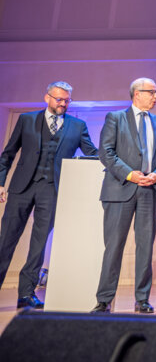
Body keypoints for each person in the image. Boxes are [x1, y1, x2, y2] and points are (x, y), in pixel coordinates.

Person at [0, 81, 97, 309]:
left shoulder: (77, 125)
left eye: (67, 100)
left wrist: (112, 157)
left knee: (39, 243)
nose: (63, 103)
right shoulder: (27, 120)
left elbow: (92, 153)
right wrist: (0, 183)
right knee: (6, 240)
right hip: (22, 187)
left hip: (52, 189)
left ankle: (26, 293)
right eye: (59, 99)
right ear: (47, 98)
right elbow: (8, 154)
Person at [92, 78, 156, 313]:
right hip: (120, 190)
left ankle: (142, 298)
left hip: (150, 190)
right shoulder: (115, 118)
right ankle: (104, 299)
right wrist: (130, 175)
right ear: (137, 94)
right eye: (152, 92)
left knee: (145, 247)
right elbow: (105, 152)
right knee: (114, 246)